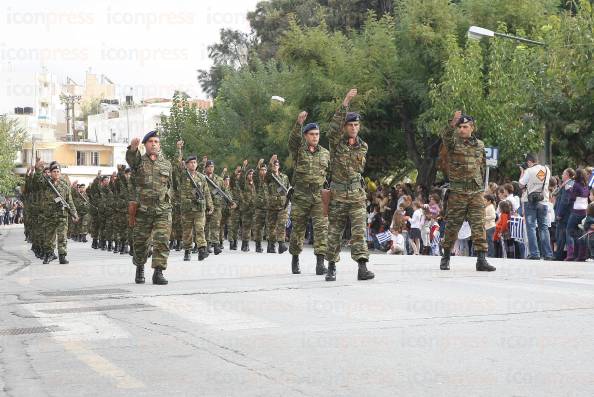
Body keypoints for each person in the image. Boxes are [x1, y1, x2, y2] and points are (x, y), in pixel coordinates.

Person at [325, 88, 374, 281]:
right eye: (350, 125)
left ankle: (362, 267)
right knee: (334, 232)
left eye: (356, 124)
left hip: (356, 194)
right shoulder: (337, 143)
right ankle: (331, 267)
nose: (353, 127)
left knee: (359, 231)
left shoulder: (363, 146)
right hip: (338, 195)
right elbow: (333, 129)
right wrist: (345, 102)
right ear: (344, 127)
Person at [439, 111, 495, 271]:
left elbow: (482, 165)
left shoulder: (480, 145)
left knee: (478, 225)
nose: (461, 129)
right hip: (457, 192)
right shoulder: (453, 143)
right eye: (460, 127)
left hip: (475, 193)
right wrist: (451, 125)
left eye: (465, 127)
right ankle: (446, 256)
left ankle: (481, 259)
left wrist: (482, 187)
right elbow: (446, 137)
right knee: (452, 226)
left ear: (472, 128)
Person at [126, 130, 174, 285]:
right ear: (145, 145)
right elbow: (131, 160)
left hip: (162, 209)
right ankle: (140, 267)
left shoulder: (166, 163)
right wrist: (133, 149)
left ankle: (158, 272)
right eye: (150, 141)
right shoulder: (139, 161)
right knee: (140, 242)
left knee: (162, 240)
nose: (154, 144)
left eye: (156, 142)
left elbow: (171, 185)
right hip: (143, 210)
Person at [287, 111, 330, 275]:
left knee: (321, 228)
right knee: (298, 229)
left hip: (319, 195)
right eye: (312, 134)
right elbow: (292, 141)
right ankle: (295, 259)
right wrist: (298, 123)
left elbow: (330, 173)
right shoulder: (298, 150)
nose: (315, 137)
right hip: (301, 195)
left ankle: (320, 263)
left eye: (317, 134)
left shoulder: (325, 153)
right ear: (305, 136)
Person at [176, 141, 213, 262]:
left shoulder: (201, 177)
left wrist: (210, 205)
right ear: (186, 165)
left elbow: (206, 192)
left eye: (195, 162)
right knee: (187, 231)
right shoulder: (183, 175)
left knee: (200, 228)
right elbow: (178, 164)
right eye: (191, 162)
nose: (193, 164)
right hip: (187, 209)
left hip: (199, 208)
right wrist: (179, 149)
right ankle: (187, 251)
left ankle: (202, 250)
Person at [35, 161, 78, 264]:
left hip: (62, 216)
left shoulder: (64, 186)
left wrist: (74, 213)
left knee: (62, 236)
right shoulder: (45, 183)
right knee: (49, 237)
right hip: (49, 216)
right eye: (54, 171)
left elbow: (70, 201)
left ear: (60, 173)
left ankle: (62, 256)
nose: (56, 173)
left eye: (58, 171)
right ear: (50, 172)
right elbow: (38, 180)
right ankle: (48, 255)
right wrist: (38, 170)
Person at [519, 153, 553, 260]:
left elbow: (520, 184)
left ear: (529, 162)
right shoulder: (546, 170)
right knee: (544, 227)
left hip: (530, 202)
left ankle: (535, 253)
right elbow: (542, 181)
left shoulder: (529, 171)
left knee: (531, 227)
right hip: (544, 201)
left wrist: (522, 172)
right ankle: (548, 254)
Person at [265, 155, 290, 254]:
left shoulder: (284, 177)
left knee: (281, 224)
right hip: (272, 205)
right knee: (271, 226)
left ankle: (281, 244)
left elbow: (288, 189)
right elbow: (266, 177)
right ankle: (271, 244)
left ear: (279, 166)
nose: (275, 166)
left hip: (283, 205)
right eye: (274, 165)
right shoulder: (270, 176)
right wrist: (270, 163)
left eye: (277, 165)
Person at [565, 168, 590, 261]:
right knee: (581, 233)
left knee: (569, 231)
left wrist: (569, 190)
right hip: (585, 211)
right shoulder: (586, 185)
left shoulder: (576, 184)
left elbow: (572, 198)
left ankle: (571, 254)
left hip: (576, 211)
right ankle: (581, 255)